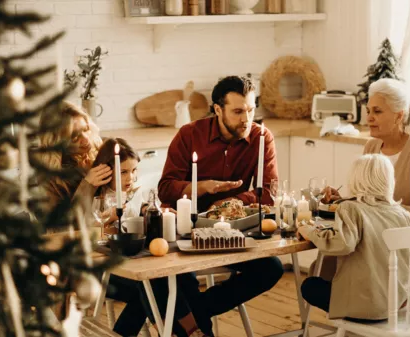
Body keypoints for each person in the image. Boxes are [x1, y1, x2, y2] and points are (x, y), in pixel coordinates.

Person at [39, 103, 204, 337]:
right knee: (152, 284)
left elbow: (130, 201)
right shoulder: (51, 181)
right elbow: (61, 231)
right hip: (83, 264)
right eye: (75, 135)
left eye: (86, 129)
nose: (85, 139)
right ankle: (192, 331)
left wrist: (149, 210)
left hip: (121, 252)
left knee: (175, 278)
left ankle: (190, 331)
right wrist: (87, 186)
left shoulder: (103, 156)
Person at [158, 76, 284, 335]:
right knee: (182, 277)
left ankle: (192, 317)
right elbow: (165, 188)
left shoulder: (262, 138)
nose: (246, 119)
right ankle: (196, 326)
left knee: (271, 268)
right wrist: (202, 187)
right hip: (187, 232)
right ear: (218, 109)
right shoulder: (189, 135)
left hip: (232, 233)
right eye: (238, 111)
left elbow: (269, 194)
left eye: (250, 110)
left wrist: (234, 201)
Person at [298, 154, 410, 320]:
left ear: (356, 180)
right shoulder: (401, 213)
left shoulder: (350, 208)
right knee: (325, 269)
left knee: (310, 286)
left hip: (367, 306)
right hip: (396, 302)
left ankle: (350, 315)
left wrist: (308, 230)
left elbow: (342, 244)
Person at [323, 78, 410, 221]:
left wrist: (387, 210)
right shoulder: (371, 147)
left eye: (377, 111)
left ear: (399, 116)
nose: (369, 118)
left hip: (408, 239)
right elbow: (366, 199)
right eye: (368, 111)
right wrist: (343, 200)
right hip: (376, 234)